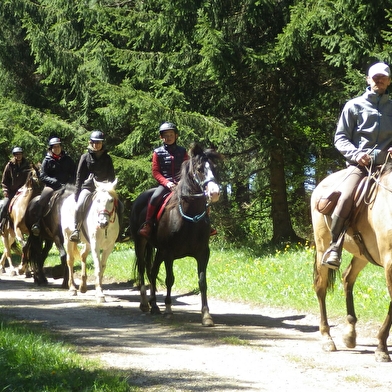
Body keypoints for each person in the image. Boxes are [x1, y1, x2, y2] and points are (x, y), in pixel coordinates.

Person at [323, 62, 392, 270]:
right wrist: (356, 154)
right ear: (368, 80)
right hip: (361, 166)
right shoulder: (354, 106)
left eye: (383, 77)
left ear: (389, 81)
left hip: (389, 165)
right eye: (375, 77)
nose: (379, 80)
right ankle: (334, 246)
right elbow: (341, 138)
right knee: (345, 196)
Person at [139, 122, 189, 238]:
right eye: (165, 135)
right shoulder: (157, 152)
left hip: (181, 183)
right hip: (165, 185)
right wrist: (167, 183)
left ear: (176, 136)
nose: (169, 137)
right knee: (155, 197)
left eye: (171, 134)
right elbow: (155, 172)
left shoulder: (183, 151)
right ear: (161, 137)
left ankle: (205, 224)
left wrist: (182, 181)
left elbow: (187, 168)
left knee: (198, 196)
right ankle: (148, 225)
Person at [69, 130, 119, 242]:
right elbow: (79, 177)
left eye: (99, 143)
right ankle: (76, 230)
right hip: (88, 188)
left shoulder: (107, 158)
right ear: (91, 143)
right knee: (79, 205)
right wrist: (77, 194)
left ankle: (118, 232)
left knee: (119, 205)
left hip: (103, 188)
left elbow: (111, 176)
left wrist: (111, 189)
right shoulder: (84, 157)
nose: (97, 145)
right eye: (94, 143)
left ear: (102, 144)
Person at [31, 137, 76, 236]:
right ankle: (37, 222)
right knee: (43, 197)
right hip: (52, 186)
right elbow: (43, 176)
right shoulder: (47, 160)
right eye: (54, 147)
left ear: (61, 147)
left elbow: (74, 173)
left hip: (67, 186)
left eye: (58, 146)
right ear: (51, 149)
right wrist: (55, 182)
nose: (57, 148)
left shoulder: (68, 159)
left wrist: (69, 183)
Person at [0, 147, 31, 234]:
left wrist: (25, 188)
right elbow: (4, 180)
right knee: (4, 205)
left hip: (23, 191)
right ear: (14, 155)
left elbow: (29, 179)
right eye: (17, 154)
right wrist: (5, 190)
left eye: (20, 154)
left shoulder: (27, 165)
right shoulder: (9, 165)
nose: (19, 156)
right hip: (11, 192)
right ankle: (1, 225)